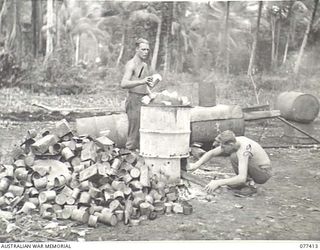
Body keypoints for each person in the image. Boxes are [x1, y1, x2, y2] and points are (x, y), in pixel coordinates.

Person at [187, 130, 272, 196]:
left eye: (223, 147)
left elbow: (241, 177)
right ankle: (244, 183)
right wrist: (196, 165)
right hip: (257, 167)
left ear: (231, 144)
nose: (222, 149)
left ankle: (251, 186)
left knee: (235, 156)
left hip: (263, 172)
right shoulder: (235, 142)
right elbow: (211, 153)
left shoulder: (244, 149)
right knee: (234, 155)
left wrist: (218, 182)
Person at [121, 38, 155, 151]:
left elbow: (144, 83)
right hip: (133, 99)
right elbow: (124, 83)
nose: (146, 52)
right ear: (137, 49)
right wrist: (142, 81)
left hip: (143, 99)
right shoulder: (131, 64)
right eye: (143, 49)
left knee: (144, 129)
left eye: (147, 50)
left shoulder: (144, 65)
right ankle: (128, 156)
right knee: (134, 131)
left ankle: (141, 159)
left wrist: (150, 94)